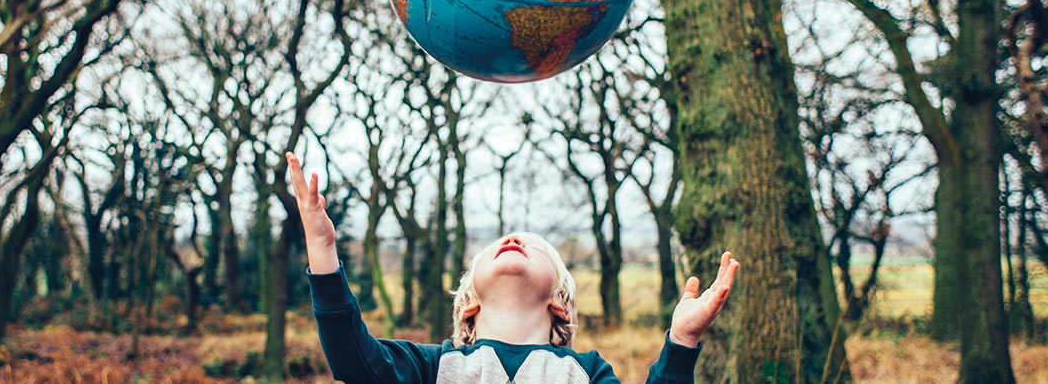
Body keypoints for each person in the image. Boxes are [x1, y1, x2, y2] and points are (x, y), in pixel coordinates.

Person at [286, 152, 740, 384]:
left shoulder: (586, 373)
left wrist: (681, 341)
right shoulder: (436, 366)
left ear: (559, 304)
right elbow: (353, 360)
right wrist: (323, 250)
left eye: (536, 248)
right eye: (493, 248)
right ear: (469, 306)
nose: (513, 240)